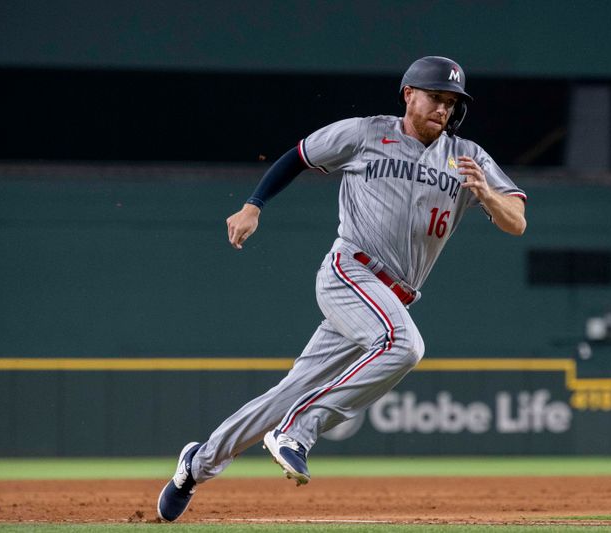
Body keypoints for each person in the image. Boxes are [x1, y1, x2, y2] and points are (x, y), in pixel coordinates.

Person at [157, 56, 527, 522]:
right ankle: (300, 431)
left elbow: (516, 221)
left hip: (390, 296)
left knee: (288, 391)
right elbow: (300, 155)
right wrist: (254, 205)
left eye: (452, 103)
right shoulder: (365, 133)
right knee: (404, 344)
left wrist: (488, 195)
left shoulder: (467, 156)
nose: (444, 109)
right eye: (436, 97)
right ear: (409, 94)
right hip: (350, 270)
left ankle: (197, 464)